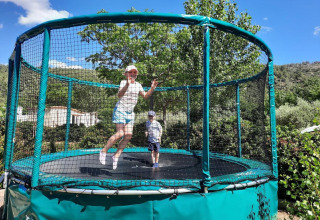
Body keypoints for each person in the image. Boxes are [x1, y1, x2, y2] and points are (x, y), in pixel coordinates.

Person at [99, 65, 158, 169]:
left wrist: (152, 88)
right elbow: (119, 95)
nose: (133, 74)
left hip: (130, 113)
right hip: (120, 110)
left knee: (129, 135)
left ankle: (115, 156)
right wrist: (127, 84)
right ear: (126, 74)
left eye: (134, 72)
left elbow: (145, 96)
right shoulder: (123, 82)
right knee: (120, 133)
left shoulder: (138, 85)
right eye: (130, 72)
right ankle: (103, 151)